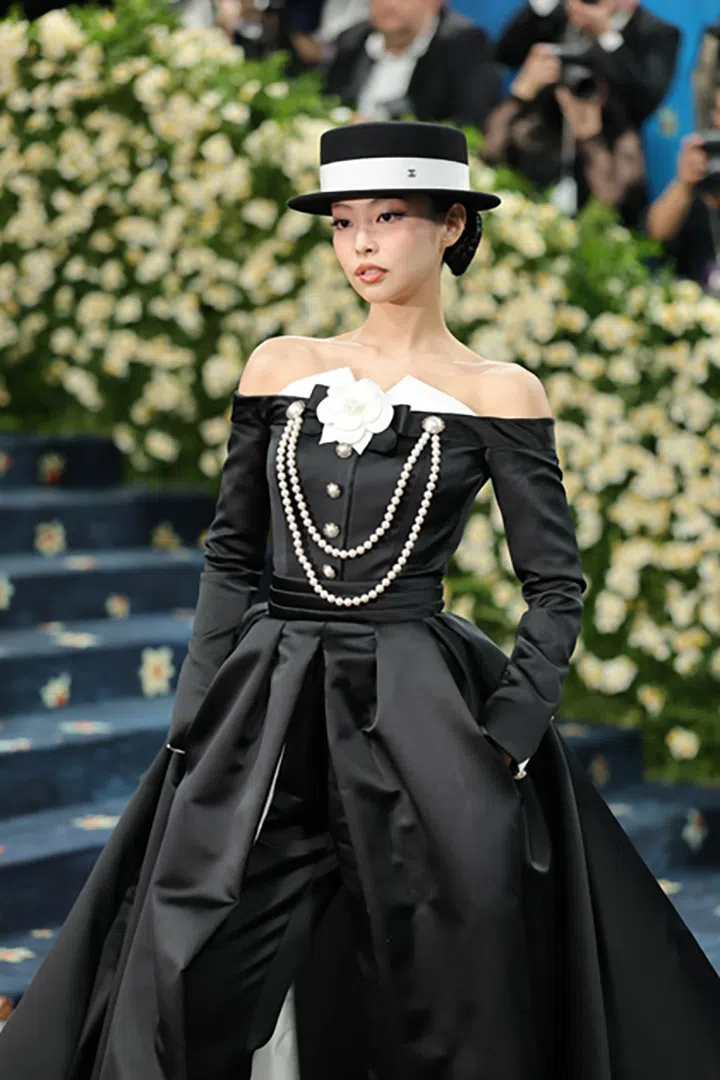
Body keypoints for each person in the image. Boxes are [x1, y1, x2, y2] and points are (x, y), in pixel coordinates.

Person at [2, 120, 720, 1080]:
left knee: (447, 973)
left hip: (423, 712)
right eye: (343, 223)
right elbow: (230, 552)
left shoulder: (498, 392)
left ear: (453, 225)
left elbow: (554, 584)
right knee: (187, 953)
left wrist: (505, 733)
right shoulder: (281, 366)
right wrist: (196, 711)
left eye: (389, 217)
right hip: (270, 700)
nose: (364, 245)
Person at [483, 42, 647, 226]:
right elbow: (490, 157)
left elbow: (611, 205)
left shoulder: (621, 136)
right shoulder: (535, 124)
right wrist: (519, 96)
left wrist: (591, 140)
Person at [495, 0, 681, 131]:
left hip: (607, 157)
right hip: (544, 138)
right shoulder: (562, 12)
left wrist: (605, 36)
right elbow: (506, 55)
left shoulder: (658, 33)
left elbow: (645, 100)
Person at [322, 0, 501, 129]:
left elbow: (469, 121)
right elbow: (325, 100)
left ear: (434, 3)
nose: (388, 5)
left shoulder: (464, 44)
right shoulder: (351, 40)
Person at [645, 27, 720, 288]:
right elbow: (655, 233)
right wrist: (684, 183)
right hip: (696, 296)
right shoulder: (704, 156)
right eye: (717, 111)